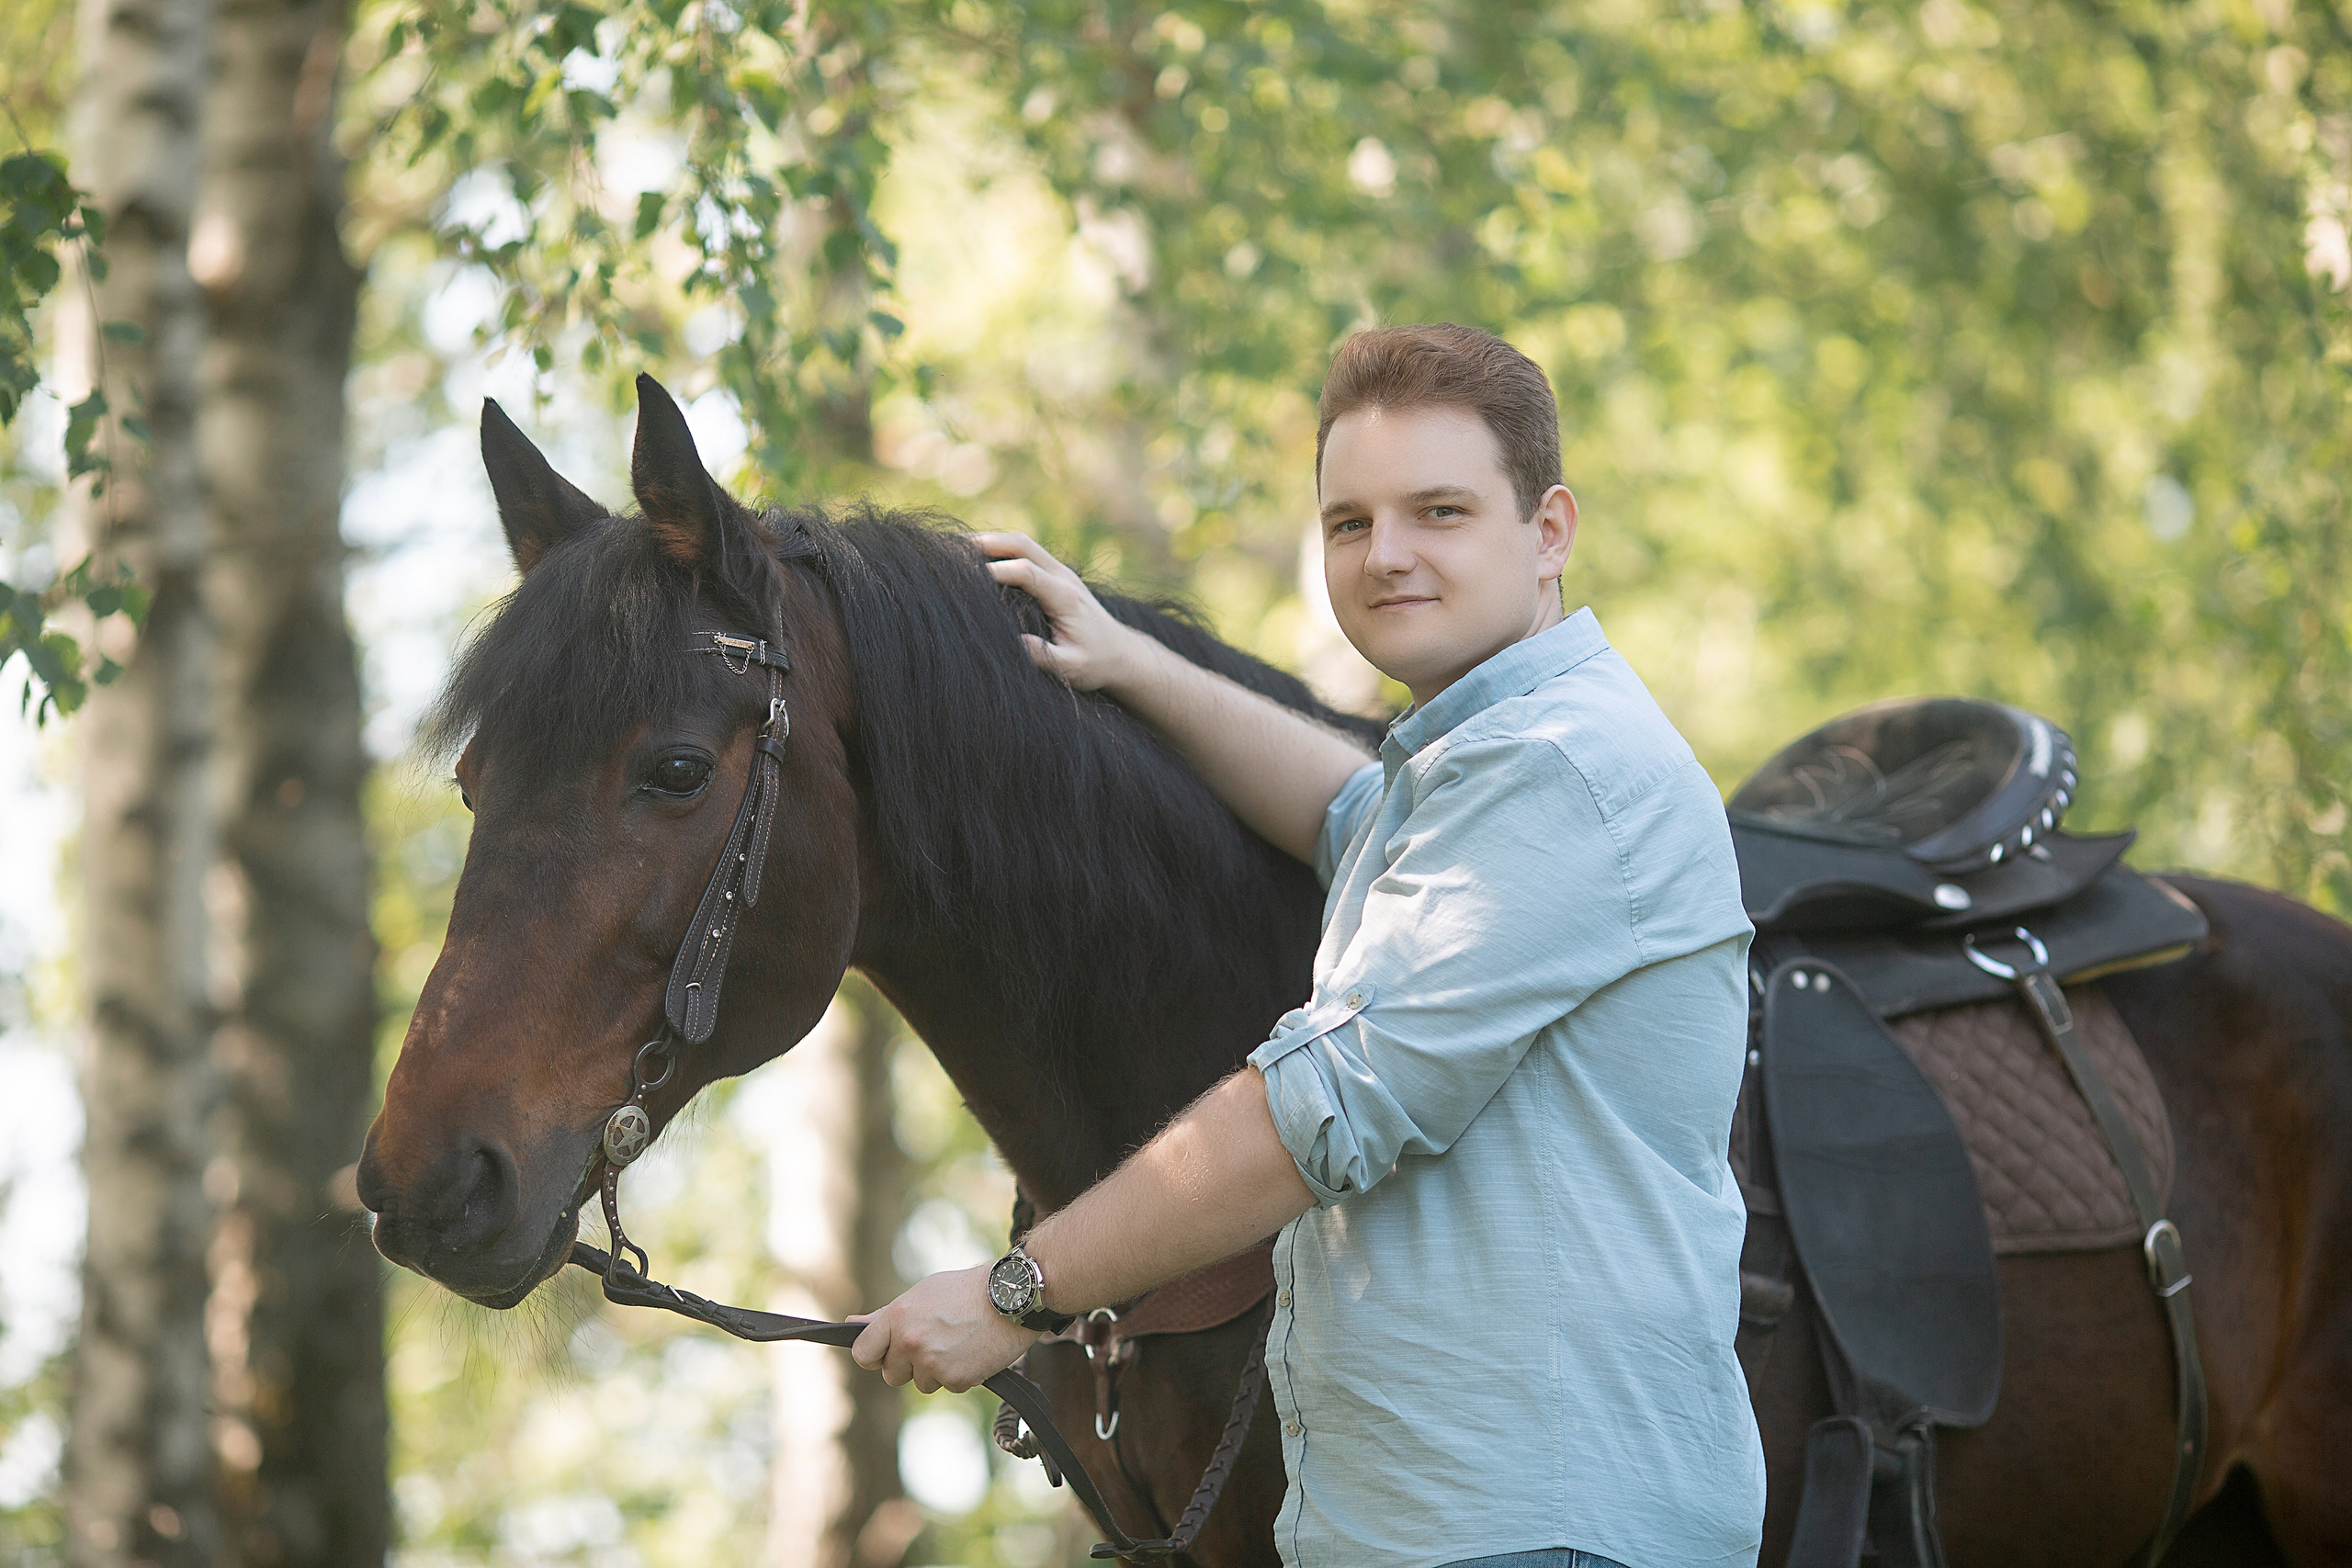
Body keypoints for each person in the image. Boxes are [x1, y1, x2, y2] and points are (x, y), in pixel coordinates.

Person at [851, 323, 1765, 1568]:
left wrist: (1019, 1293)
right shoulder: (1471, 764)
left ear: (1548, 530)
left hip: (1532, 1535)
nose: (1386, 556)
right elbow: (1347, 813)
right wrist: (1133, 665)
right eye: (1349, 523)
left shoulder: (1557, 770)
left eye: (1439, 511)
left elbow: (1325, 1101)